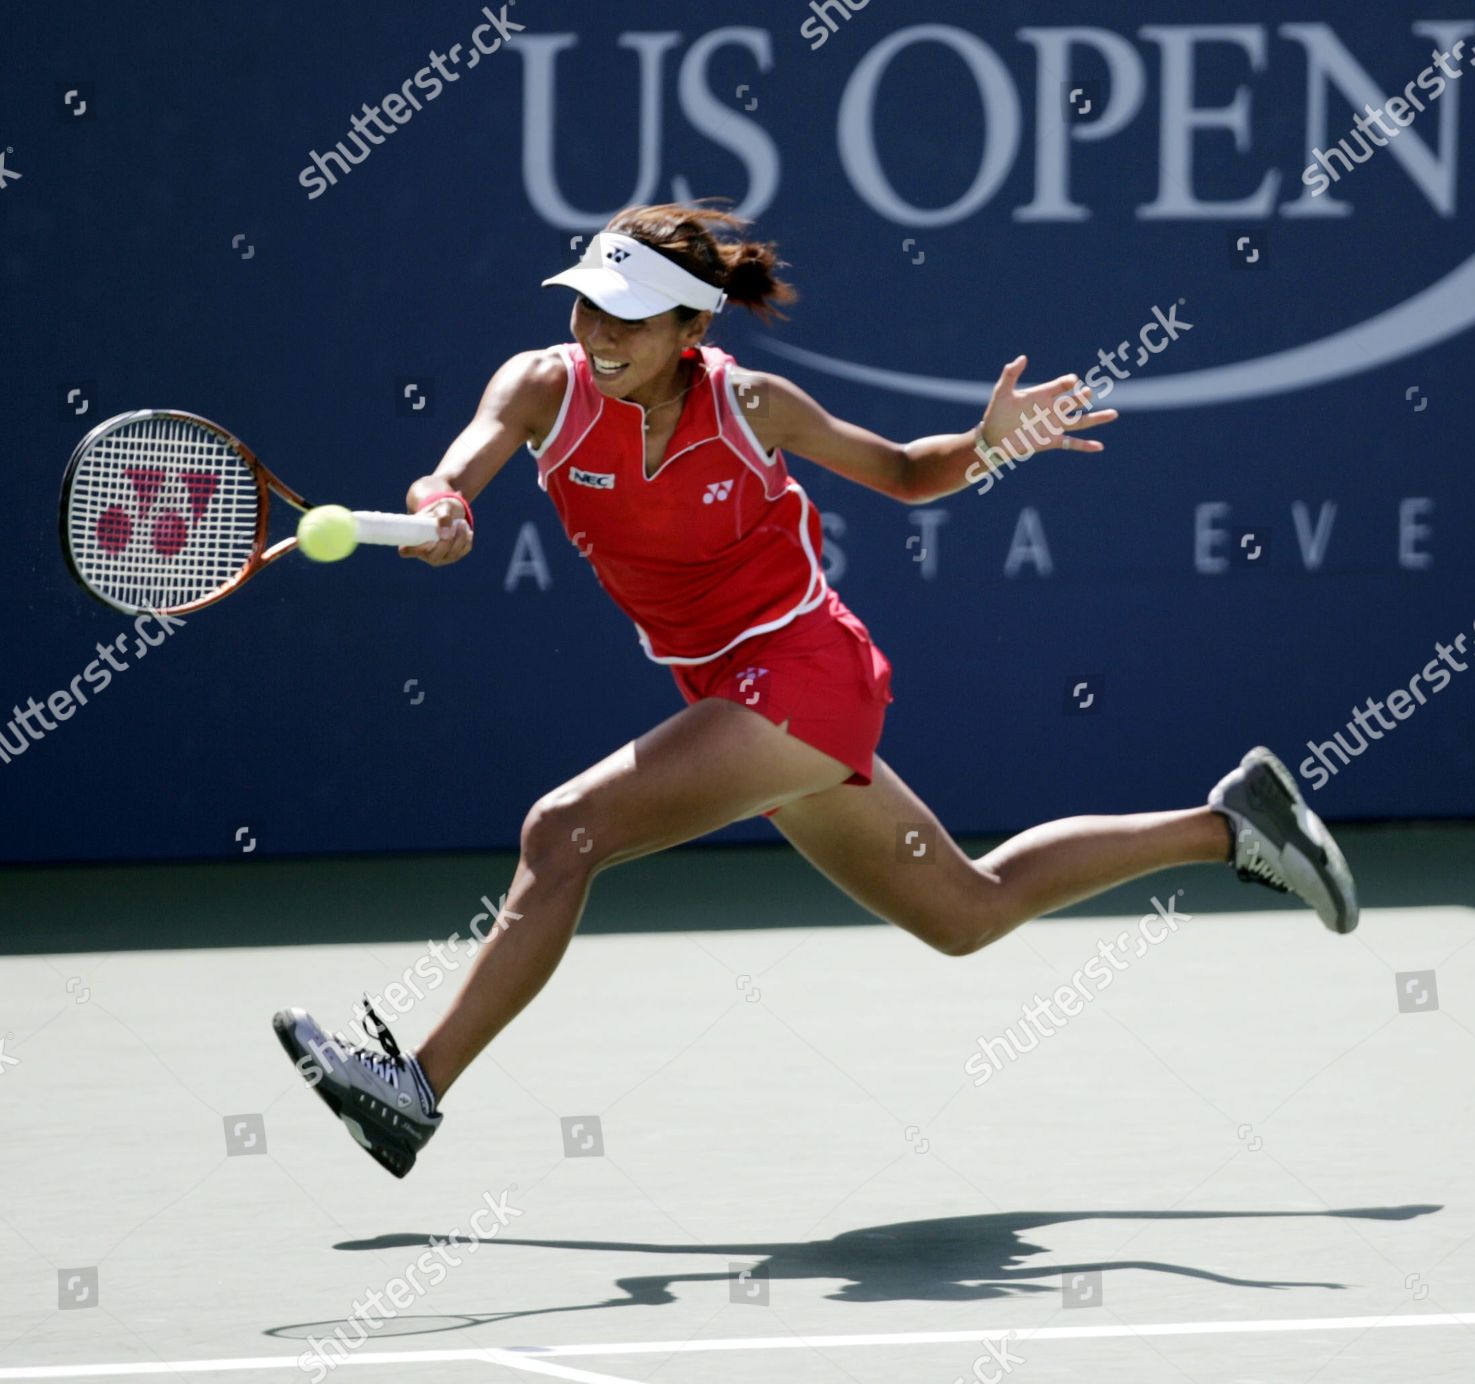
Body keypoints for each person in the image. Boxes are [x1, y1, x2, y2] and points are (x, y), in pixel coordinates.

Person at [273, 202, 1356, 1178]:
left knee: (565, 831)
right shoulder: (542, 385)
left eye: (631, 319)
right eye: (591, 308)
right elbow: (458, 467)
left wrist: (987, 445)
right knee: (965, 913)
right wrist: (440, 504)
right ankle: (1232, 826)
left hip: (802, 670)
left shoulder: (754, 406)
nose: (601, 335)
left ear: (690, 333)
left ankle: (414, 1090)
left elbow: (902, 471)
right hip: (731, 692)